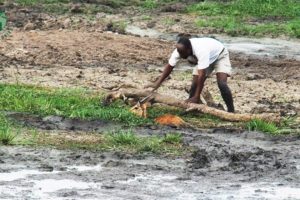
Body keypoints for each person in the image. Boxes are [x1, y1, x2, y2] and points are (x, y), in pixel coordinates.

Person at [145, 37, 235, 113]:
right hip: (204, 57)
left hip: (220, 55)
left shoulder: (201, 50)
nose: (180, 54)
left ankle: (231, 111)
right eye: (179, 52)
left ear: (189, 49)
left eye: (182, 53)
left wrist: (196, 96)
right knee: (194, 85)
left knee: (222, 84)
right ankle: (192, 108)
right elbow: (169, 67)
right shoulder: (179, 50)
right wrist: (157, 83)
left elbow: (202, 75)